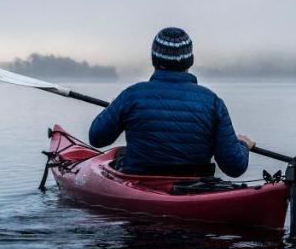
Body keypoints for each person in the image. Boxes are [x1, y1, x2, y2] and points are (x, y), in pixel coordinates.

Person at [89, 27, 255, 177]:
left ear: (154, 59)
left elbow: (96, 138)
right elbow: (234, 167)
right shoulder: (212, 102)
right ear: (189, 60)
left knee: (119, 155)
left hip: (140, 181)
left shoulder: (132, 95)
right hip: (194, 186)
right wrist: (242, 145)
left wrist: (113, 107)